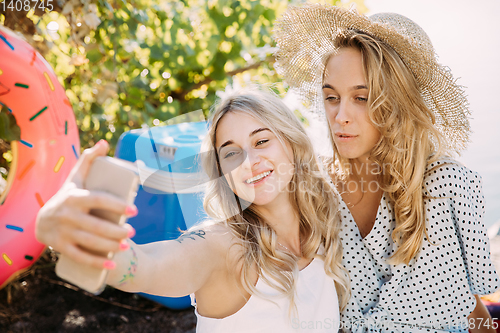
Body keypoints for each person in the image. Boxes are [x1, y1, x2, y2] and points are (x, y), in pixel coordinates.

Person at [35, 89, 350, 332]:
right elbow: (147, 267)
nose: (249, 162)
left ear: (293, 144)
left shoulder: (325, 227)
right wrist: (78, 234)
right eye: (230, 153)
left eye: (262, 141)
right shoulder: (223, 246)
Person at [273, 4, 500, 333]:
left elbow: (467, 303)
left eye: (362, 98)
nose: (340, 117)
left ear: (397, 102)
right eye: (332, 97)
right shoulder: (314, 188)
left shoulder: (447, 184)